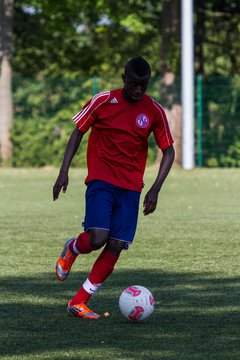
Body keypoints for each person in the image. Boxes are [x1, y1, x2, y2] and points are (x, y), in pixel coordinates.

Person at [53, 56, 175, 319]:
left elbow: (169, 151)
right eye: (134, 83)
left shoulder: (154, 110)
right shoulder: (103, 100)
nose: (139, 89)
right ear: (124, 79)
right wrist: (63, 172)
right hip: (102, 180)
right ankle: (73, 248)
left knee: (117, 244)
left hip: (131, 188)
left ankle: (79, 301)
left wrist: (155, 189)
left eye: (144, 84)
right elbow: (78, 132)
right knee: (97, 238)